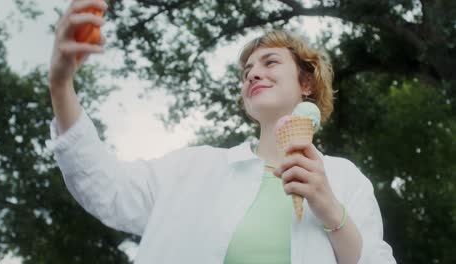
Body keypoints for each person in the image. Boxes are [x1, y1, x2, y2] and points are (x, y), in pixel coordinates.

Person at [48, 0, 397, 263]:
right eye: (246, 72)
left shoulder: (344, 179)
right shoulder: (193, 168)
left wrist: (330, 209)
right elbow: (105, 188)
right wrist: (61, 84)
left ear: (306, 82)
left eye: (270, 62)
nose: (252, 75)